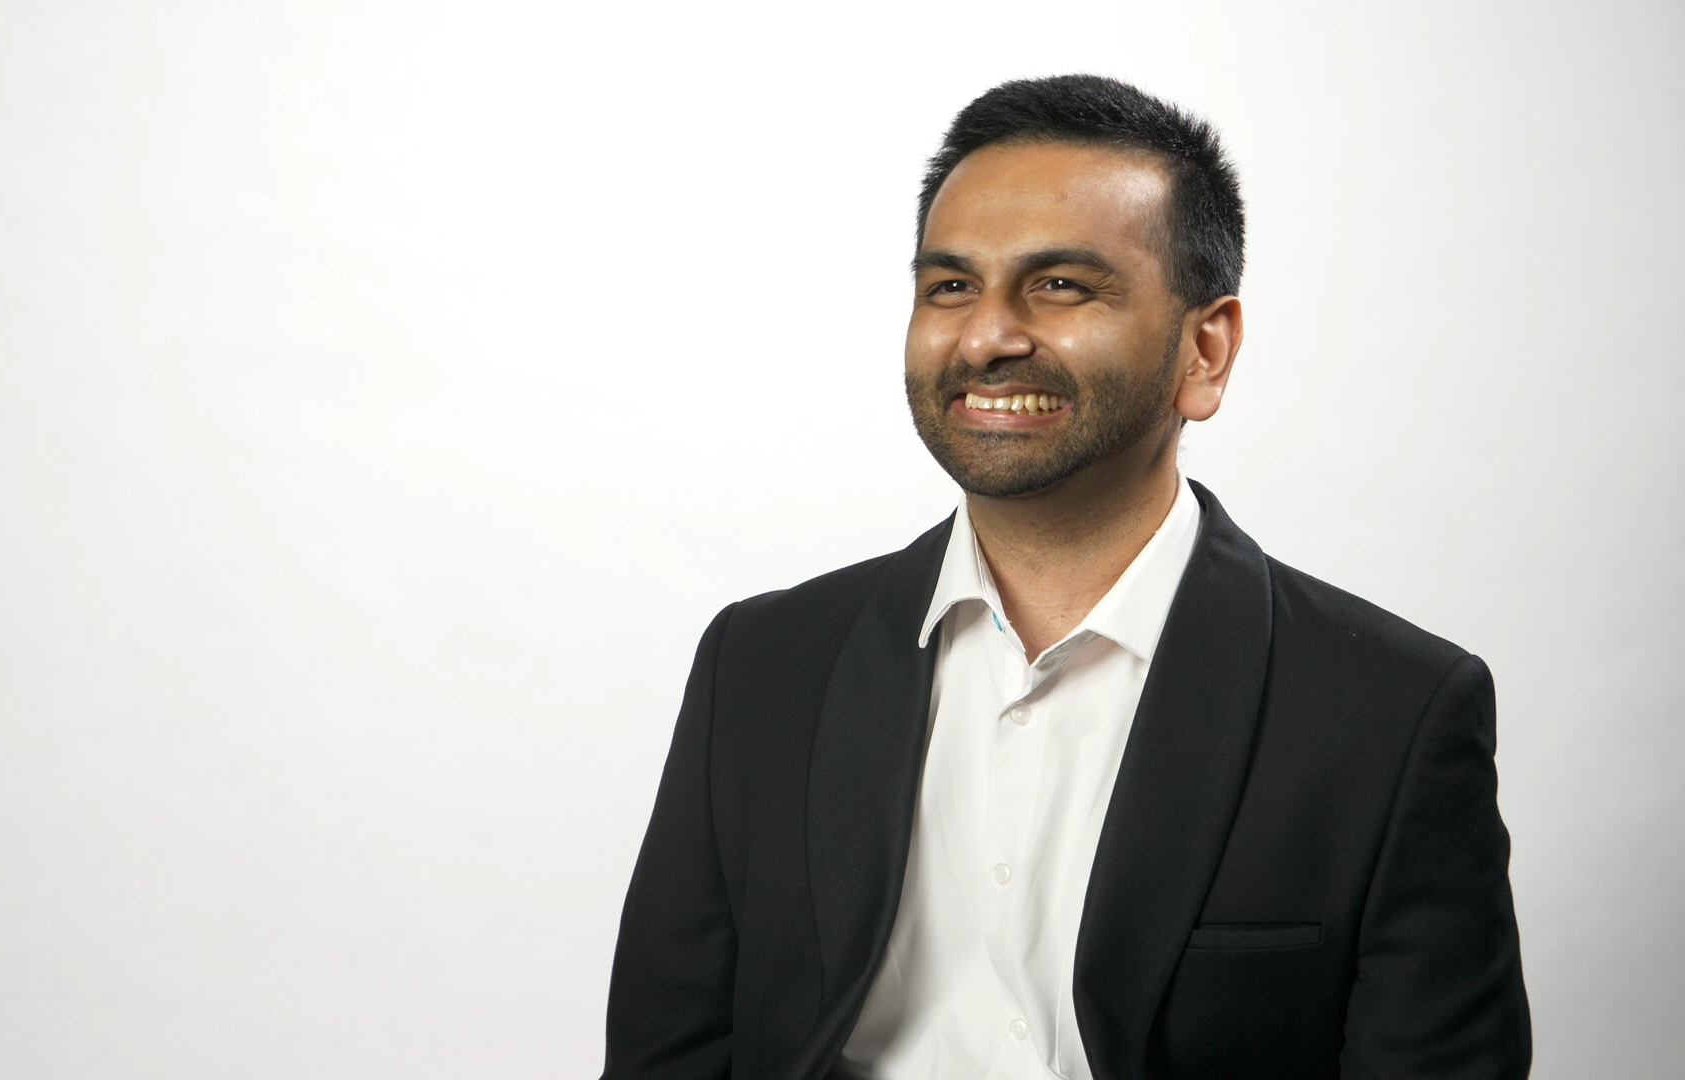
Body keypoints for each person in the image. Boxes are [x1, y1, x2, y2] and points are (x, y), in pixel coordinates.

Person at [600, 75, 1530, 1080]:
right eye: (950, 287)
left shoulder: (1391, 713)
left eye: (1061, 286)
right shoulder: (762, 664)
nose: (987, 336)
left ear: (1205, 351)